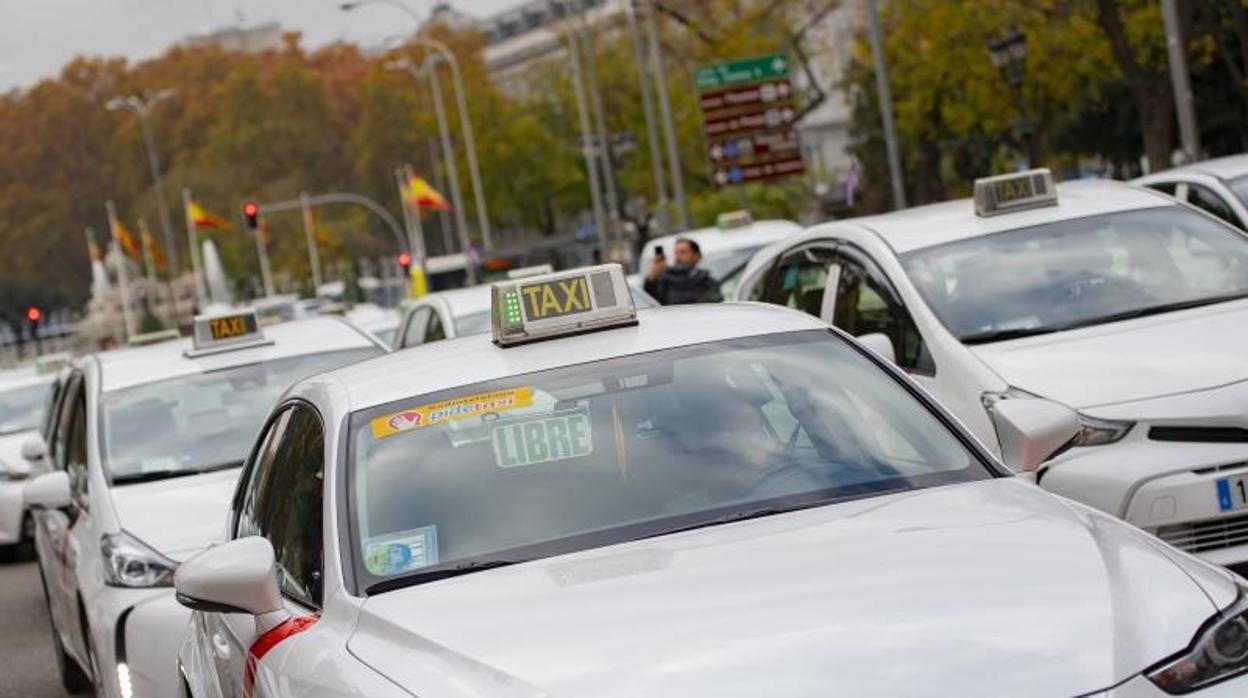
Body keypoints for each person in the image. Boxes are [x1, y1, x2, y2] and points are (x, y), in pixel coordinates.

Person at [643, 238, 722, 305]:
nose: (678, 256)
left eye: (683, 252)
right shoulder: (665, 280)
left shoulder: (705, 279)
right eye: (676, 253)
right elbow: (651, 303)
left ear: (696, 255)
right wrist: (653, 277)